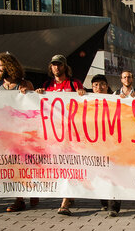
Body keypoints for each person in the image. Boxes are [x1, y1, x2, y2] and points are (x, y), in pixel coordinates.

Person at [0, 52, 36, 213]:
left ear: (9, 66)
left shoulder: (24, 83)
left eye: (0, 65)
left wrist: (29, 94)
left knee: (21, 164)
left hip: (21, 132)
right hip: (3, 133)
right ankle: (20, 195)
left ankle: (20, 198)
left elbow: (35, 107)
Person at [35, 54, 84, 216]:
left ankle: (65, 202)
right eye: (53, 65)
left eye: (59, 64)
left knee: (68, 164)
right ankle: (68, 194)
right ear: (50, 67)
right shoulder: (46, 85)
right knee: (58, 166)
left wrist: (83, 94)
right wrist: (38, 94)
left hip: (70, 133)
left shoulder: (73, 83)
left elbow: (84, 104)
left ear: (65, 67)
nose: (56, 67)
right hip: (53, 133)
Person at [89, 74, 122, 217]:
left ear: (107, 86)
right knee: (100, 173)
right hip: (95, 143)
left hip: (113, 143)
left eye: (102, 84)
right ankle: (103, 201)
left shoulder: (115, 100)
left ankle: (114, 205)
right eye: (95, 85)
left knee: (113, 174)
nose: (99, 87)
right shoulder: (87, 99)